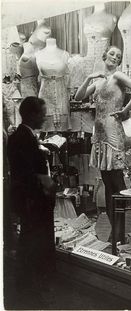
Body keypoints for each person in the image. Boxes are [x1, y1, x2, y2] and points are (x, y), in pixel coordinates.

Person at [75, 46, 131, 218]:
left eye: (118, 56)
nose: (115, 57)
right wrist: (89, 77)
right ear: (105, 55)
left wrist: (125, 110)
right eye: (112, 53)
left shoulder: (118, 75)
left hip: (113, 130)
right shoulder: (98, 81)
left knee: (116, 179)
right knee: (107, 181)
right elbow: (78, 97)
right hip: (99, 133)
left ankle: (123, 224)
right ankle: (115, 228)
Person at [7, 96, 56, 305]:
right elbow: (27, 173)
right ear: (32, 114)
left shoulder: (23, 134)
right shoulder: (23, 137)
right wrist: (47, 186)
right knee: (32, 242)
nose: (44, 119)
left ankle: (29, 286)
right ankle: (30, 290)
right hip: (32, 200)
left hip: (30, 198)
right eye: (42, 114)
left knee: (30, 240)